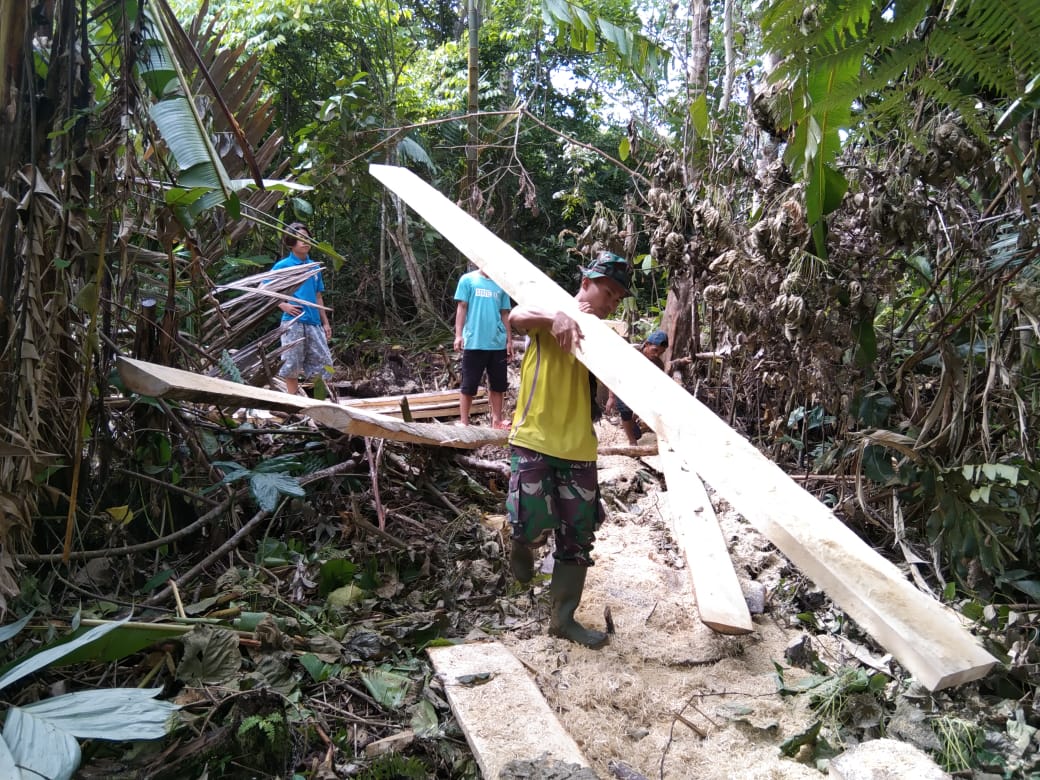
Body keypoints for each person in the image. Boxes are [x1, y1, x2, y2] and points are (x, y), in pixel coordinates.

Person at [505, 251, 632, 649]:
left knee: (577, 536)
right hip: (534, 436)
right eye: (607, 292)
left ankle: (562, 619)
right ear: (586, 282)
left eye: (617, 299)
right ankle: (520, 554)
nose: (611, 303)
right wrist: (555, 318)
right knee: (530, 522)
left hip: (579, 447)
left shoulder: (605, 332)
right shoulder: (550, 308)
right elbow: (516, 317)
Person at [271, 223, 333, 396]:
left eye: (307, 238)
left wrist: (325, 323)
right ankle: (293, 402)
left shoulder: (314, 266)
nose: (305, 242)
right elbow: (264, 288)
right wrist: (283, 305)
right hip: (293, 322)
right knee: (291, 364)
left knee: (324, 363)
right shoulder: (284, 265)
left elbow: (318, 295)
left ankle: (318, 401)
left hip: (314, 322)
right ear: (291, 243)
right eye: (300, 239)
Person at [453, 268, 513, 427]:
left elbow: (505, 313)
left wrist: (509, 340)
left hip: (497, 342)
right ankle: (464, 422)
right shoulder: (468, 280)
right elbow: (462, 307)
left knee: (498, 384)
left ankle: (497, 421)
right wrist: (458, 335)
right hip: (474, 341)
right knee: (469, 384)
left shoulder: (501, 283)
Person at [604, 329, 668, 445]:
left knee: (638, 419)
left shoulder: (658, 364)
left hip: (641, 390)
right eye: (655, 350)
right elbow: (614, 373)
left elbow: (657, 384)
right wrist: (611, 397)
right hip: (623, 386)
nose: (657, 354)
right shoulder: (629, 354)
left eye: (660, 352)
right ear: (647, 344)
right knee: (626, 413)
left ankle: (632, 422)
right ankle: (632, 442)